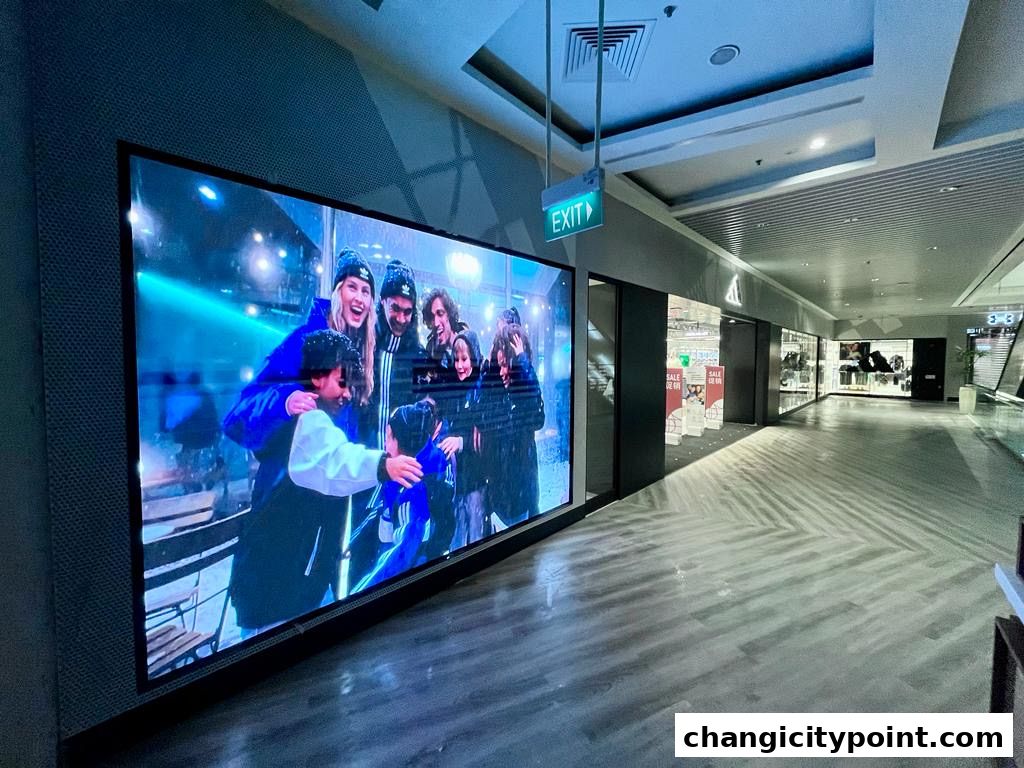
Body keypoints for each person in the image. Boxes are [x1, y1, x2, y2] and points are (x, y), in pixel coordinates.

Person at [226, 330, 421, 638]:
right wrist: (385, 465)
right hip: (277, 591)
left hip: (279, 583)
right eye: (342, 382)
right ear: (317, 376)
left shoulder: (302, 417)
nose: (347, 394)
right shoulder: (309, 421)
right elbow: (338, 460)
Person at [223, 249, 377, 457]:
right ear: (338, 293)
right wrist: (286, 402)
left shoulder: (363, 355)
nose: (359, 298)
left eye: (365, 291)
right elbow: (237, 417)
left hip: (330, 484)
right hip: (287, 484)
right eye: (352, 287)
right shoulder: (303, 342)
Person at [350, 260, 428, 587]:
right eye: (396, 307)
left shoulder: (418, 355)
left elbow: (426, 412)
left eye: (408, 311)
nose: (401, 317)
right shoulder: (364, 343)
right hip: (363, 464)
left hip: (401, 470)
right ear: (382, 302)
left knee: (395, 553)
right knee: (358, 548)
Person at [352, 400, 453, 594]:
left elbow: (399, 558)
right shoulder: (429, 464)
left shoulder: (413, 493)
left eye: (389, 436)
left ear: (402, 443)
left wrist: (358, 595)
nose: (384, 442)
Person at [483, 323, 545, 530]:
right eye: (499, 365)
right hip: (500, 499)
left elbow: (538, 418)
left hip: (522, 497)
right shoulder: (498, 394)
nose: (502, 372)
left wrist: (521, 364)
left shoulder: (523, 395)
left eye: (506, 364)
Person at [438, 330, 487, 549]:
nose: (459, 365)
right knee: (457, 534)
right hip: (455, 480)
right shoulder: (453, 389)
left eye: (464, 359)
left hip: (476, 479)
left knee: (476, 534)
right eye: (456, 360)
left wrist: (462, 442)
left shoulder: (483, 390)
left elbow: (487, 438)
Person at [421, 287, 468, 375]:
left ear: (449, 314)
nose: (436, 322)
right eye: (432, 317)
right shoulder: (431, 351)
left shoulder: (468, 342)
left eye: (440, 314)